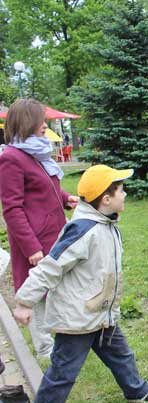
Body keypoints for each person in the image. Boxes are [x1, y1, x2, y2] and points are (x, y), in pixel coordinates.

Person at [13, 165, 148, 403]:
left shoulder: (106, 225)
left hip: (100, 312)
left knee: (121, 355)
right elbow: (50, 267)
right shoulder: (83, 231)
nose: (125, 194)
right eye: (120, 190)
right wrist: (25, 302)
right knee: (63, 372)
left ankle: (136, 391)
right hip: (77, 319)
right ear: (106, 199)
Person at [0, 98, 79, 358]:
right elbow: (12, 208)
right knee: (37, 290)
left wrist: (65, 198)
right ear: (26, 122)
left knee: (55, 285)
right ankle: (45, 349)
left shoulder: (36, 153)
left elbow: (44, 188)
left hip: (53, 233)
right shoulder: (11, 158)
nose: (45, 125)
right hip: (34, 240)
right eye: (40, 121)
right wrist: (31, 247)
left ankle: (64, 338)